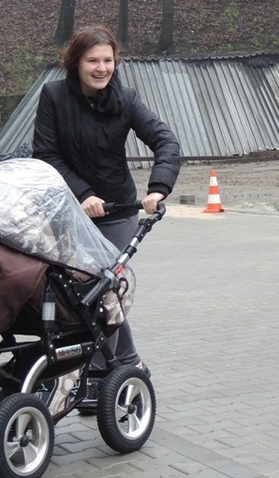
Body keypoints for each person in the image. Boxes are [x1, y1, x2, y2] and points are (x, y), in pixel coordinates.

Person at [32, 26, 181, 392]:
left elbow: (166, 140)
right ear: (75, 62)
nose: (102, 68)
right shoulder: (53, 96)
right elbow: (46, 155)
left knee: (102, 290)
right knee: (78, 293)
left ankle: (99, 376)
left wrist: (158, 188)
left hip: (117, 210)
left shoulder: (125, 99)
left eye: (108, 60)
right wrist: (82, 194)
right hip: (68, 211)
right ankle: (129, 364)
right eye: (93, 61)